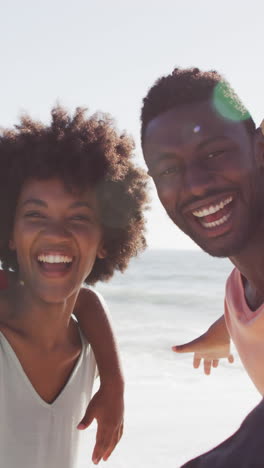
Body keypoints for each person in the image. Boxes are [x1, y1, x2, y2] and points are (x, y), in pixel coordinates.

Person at [0, 106, 147, 468]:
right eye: (35, 214)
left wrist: (114, 382)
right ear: (10, 233)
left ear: (106, 240)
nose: (56, 233)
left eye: (79, 217)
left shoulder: (88, 349)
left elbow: (84, 299)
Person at [140, 67, 264, 466]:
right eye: (169, 170)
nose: (194, 185)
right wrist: (223, 331)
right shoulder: (239, 291)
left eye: (213, 153)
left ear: (259, 147)